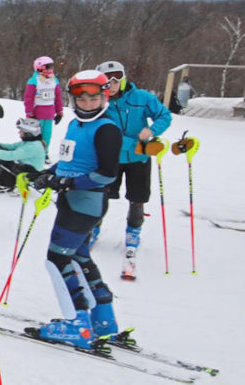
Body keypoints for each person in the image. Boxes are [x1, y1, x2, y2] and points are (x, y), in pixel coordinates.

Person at [29, 70, 126, 349]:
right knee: (80, 257)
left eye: (94, 97)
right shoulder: (75, 124)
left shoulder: (106, 128)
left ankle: (76, 323)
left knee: (56, 259)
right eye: (81, 98)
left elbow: (108, 174)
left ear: (104, 96)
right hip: (74, 202)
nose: (88, 102)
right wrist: (50, 173)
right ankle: (103, 318)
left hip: (85, 204)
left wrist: (68, 181)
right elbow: (70, 161)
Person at [93, 60, 172, 279]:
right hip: (112, 157)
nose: (113, 83)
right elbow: (103, 132)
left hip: (139, 159)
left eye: (117, 77)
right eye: (107, 79)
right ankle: (94, 227)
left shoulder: (142, 97)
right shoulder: (101, 103)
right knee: (102, 193)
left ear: (124, 77)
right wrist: (134, 144)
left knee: (138, 198)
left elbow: (164, 115)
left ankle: (133, 232)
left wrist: (151, 130)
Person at [0, 118, 47, 193]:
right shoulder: (28, 143)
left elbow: (12, 155)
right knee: (2, 153)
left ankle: (4, 185)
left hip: (29, 176)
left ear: (28, 133)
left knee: (5, 159)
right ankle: (1, 182)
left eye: (21, 131)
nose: (19, 132)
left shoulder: (33, 146)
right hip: (24, 168)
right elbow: (11, 147)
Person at [24, 56, 65, 155]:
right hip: (37, 114)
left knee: (47, 136)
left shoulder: (54, 80)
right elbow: (28, 98)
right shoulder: (34, 80)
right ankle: (33, 153)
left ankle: (44, 153)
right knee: (35, 135)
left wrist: (59, 112)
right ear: (40, 68)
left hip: (49, 114)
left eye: (51, 67)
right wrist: (29, 113)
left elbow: (58, 97)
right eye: (48, 67)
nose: (50, 69)